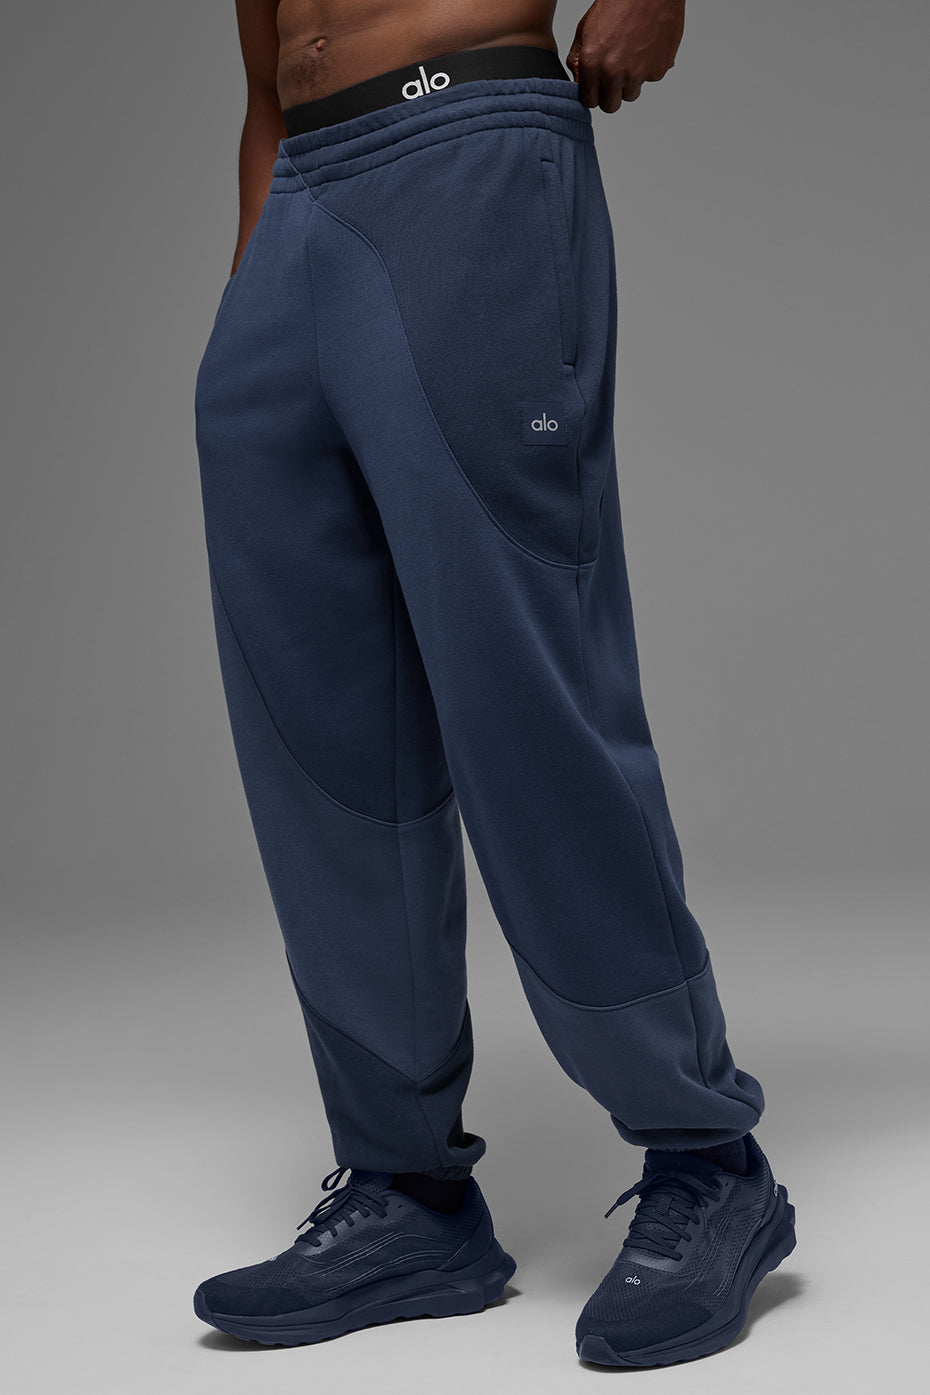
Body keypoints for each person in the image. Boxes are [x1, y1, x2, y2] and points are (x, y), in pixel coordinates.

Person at [191, 0, 796, 1368]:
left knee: (526, 693)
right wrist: (251, 294)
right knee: (321, 736)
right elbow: (264, 69)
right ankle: (406, 1192)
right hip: (296, 193)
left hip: (463, 150)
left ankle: (705, 1156)